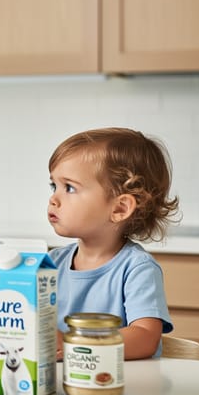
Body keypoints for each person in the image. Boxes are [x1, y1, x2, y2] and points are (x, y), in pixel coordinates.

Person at [47, 127, 180, 359]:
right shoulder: (51, 263)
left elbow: (145, 336)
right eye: (53, 186)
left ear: (119, 208)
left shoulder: (137, 268)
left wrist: (73, 344)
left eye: (69, 187)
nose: (53, 199)